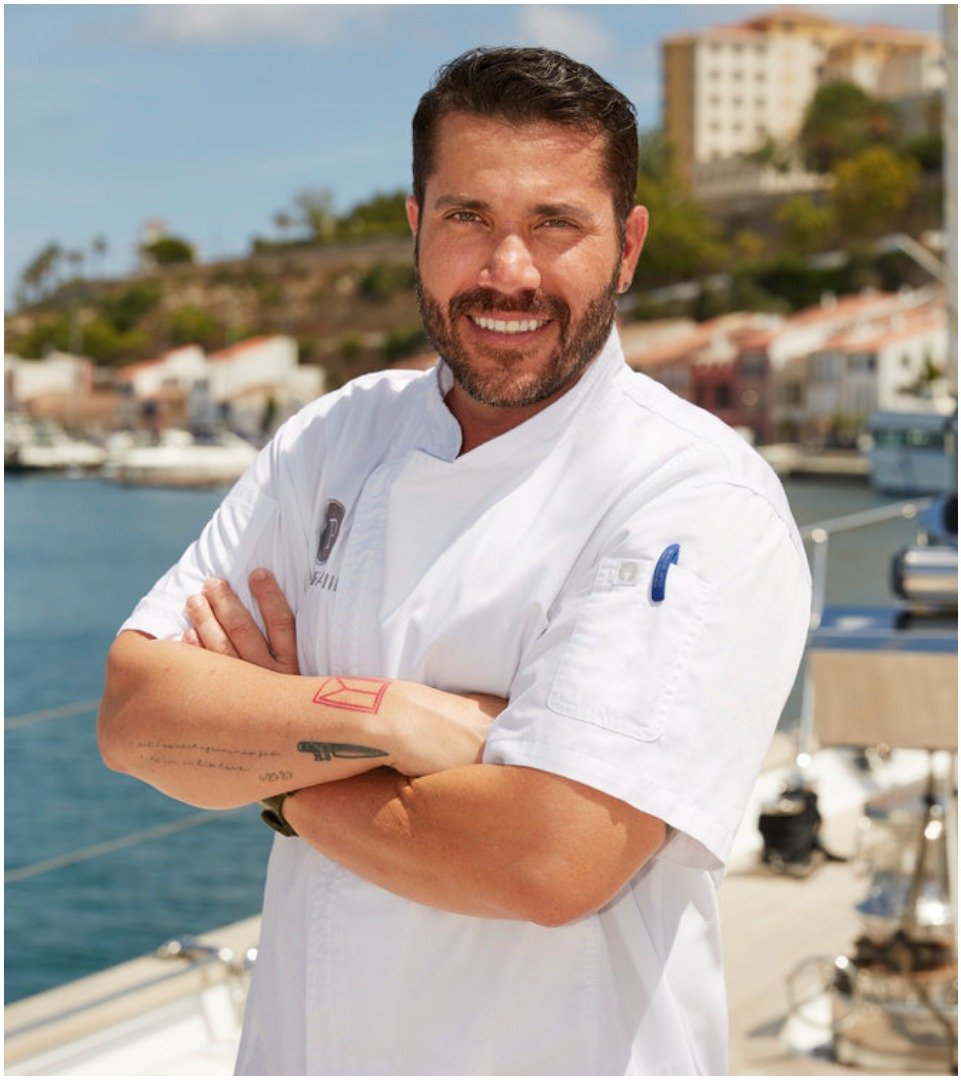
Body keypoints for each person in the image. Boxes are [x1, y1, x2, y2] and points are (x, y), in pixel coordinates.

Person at [97, 47, 812, 1073]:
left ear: (628, 246)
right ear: (415, 229)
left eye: (555, 223)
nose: (506, 271)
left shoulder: (691, 497)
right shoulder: (334, 439)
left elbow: (550, 857)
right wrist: (394, 721)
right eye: (468, 217)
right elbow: (134, 715)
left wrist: (277, 759)